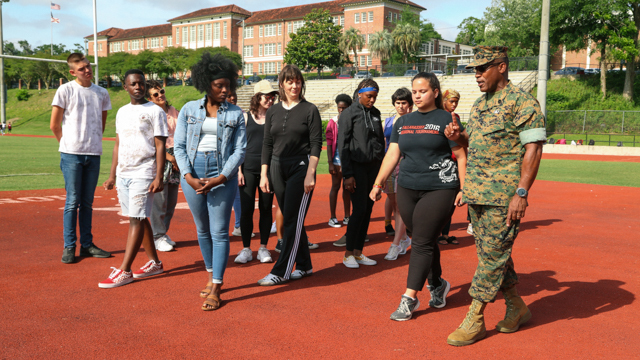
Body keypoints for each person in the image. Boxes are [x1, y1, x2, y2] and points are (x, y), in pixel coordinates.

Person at [444, 46, 546, 346]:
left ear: (501, 67)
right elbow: (472, 143)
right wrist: (457, 136)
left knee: (491, 258)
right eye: (474, 70)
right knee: (493, 254)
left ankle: (475, 317)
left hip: (504, 197)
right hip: (477, 193)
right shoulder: (479, 105)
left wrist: (521, 193)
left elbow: (534, 149)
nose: (476, 75)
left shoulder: (523, 103)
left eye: (482, 68)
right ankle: (516, 306)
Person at [370, 72, 467, 321]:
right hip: (408, 188)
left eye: (422, 91)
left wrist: (464, 188)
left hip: (440, 187)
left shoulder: (447, 118)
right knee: (423, 238)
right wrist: (378, 183)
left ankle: (409, 298)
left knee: (421, 242)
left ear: (435, 92)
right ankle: (436, 283)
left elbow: (462, 155)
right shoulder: (403, 122)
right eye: (414, 91)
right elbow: (392, 155)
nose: (417, 95)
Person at [174, 52, 246, 310]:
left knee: (219, 232)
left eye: (228, 85)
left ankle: (217, 285)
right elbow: (179, 147)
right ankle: (210, 273)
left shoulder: (236, 113)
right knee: (202, 229)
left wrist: (221, 178)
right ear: (207, 84)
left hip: (221, 174)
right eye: (219, 85)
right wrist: (189, 177)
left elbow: (239, 151)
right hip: (193, 173)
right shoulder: (188, 109)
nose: (225, 90)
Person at [100, 69, 168, 288]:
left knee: (135, 220)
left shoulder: (155, 111)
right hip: (124, 173)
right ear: (125, 87)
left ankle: (125, 270)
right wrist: (112, 174)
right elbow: (118, 144)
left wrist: (159, 176)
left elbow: (160, 145)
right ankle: (155, 263)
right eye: (133, 84)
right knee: (138, 216)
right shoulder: (121, 112)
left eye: (141, 83)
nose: (138, 87)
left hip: (144, 172)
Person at [257, 64, 322, 285]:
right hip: (276, 167)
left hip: (300, 167)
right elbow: (267, 143)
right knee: (293, 218)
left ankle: (281, 270)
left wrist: (310, 174)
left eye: (297, 81)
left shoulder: (310, 109)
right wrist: (264, 174)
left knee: (292, 221)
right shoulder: (273, 110)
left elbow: (316, 144)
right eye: (289, 81)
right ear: (282, 84)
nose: (294, 85)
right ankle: (305, 265)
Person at [50, 53, 112, 264]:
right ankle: (69, 246)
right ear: (72, 72)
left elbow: (101, 125)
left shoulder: (102, 93)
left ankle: (87, 245)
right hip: (71, 154)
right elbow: (54, 125)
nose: (87, 70)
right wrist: (67, 145)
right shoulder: (65, 90)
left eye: (88, 66)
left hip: (93, 153)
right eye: (82, 68)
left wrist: (91, 143)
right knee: (72, 201)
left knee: (87, 202)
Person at [339, 79, 385, 269]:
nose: (372, 100)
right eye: (369, 96)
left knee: (368, 209)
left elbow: (380, 141)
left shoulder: (375, 113)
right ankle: (348, 253)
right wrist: (347, 174)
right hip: (356, 168)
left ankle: (358, 252)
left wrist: (381, 173)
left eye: (374, 97)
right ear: (360, 94)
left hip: (373, 168)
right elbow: (343, 145)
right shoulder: (349, 114)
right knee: (358, 210)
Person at [234, 80, 278, 264]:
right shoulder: (245, 117)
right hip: (248, 169)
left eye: (273, 96)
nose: (270, 99)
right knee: (247, 209)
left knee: (266, 208)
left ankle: (263, 248)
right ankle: (245, 249)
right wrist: (238, 171)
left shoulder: (275, 117)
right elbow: (237, 145)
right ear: (257, 97)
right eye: (266, 96)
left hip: (268, 170)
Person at [147, 80, 179, 252]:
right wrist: (169, 158)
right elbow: (151, 141)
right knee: (160, 200)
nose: (160, 95)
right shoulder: (150, 114)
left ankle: (162, 233)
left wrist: (178, 158)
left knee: (171, 201)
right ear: (149, 99)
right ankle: (157, 236)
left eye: (162, 91)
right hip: (160, 158)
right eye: (155, 94)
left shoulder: (174, 111)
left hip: (176, 157)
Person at [383, 87, 413, 261]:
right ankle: (404, 239)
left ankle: (395, 244)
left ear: (409, 105)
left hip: (404, 164)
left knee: (401, 205)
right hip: (389, 164)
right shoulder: (388, 121)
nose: (400, 106)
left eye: (404, 103)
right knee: (394, 203)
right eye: (398, 103)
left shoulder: (411, 121)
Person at [438, 89, 462, 246]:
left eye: (456, 101)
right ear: (444, 101)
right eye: (451, 101)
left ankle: (445, 234)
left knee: (452, 200)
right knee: (442, 201)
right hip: (443, 162)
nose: (454, 104)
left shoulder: (457, 117)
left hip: (456, 162)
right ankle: (437, 233)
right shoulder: (440, 116)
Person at [326, 94, 352, 228]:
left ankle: (347, 216)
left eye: (344, 108)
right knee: (335, 187)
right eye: (339, 107)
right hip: (336, 160)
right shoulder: (332, 122)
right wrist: (330, 163)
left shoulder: (352, 121)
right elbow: (329, 144)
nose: (341, 110)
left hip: (349, 160)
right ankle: (332, 217)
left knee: (347, 188)